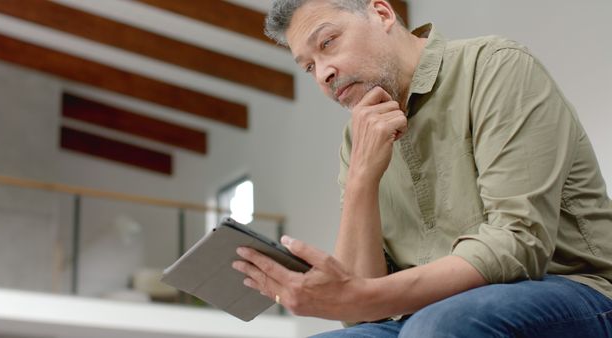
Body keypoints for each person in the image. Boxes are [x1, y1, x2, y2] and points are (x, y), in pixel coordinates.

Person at [231, 0, 612, 336]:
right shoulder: (357, 136)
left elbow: (519, 244)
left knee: (436, 326)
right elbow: (359, 315)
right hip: (423, 316)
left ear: (381, 12)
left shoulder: (495, 67)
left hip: (571, 288)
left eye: (328, 42)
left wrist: (364, 296)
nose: (323, 74)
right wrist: (363, 176)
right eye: (308, 66)